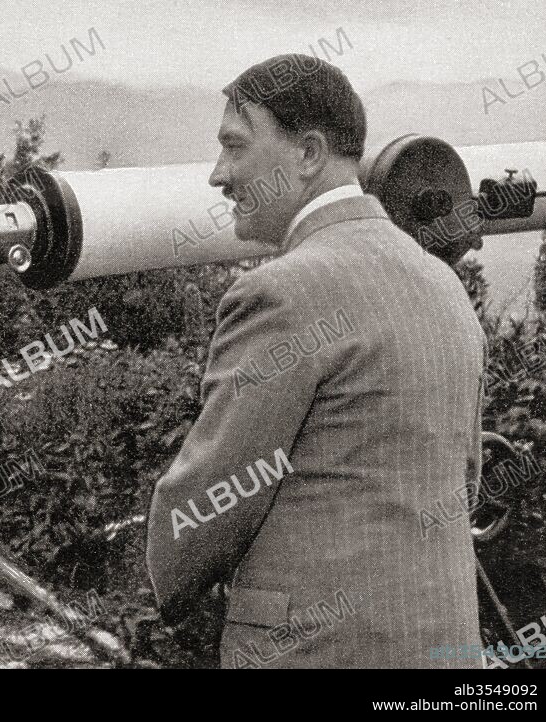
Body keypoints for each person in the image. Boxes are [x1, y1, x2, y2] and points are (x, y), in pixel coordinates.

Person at [145, 54, 486, 668]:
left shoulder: (280, 292)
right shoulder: (443, 284)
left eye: (235, 146)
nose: (219, 175)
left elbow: (211, 498)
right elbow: (464, 478)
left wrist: (163, 586)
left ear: (307, 154)